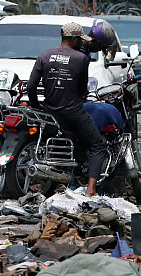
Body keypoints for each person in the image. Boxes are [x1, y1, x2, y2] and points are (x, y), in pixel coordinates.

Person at [26, 22, 106, 198]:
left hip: (50, 112)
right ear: (75, 39)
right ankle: (91, 190)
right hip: (73, 112)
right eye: (80, 40)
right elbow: (82, 91)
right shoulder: (81, 59)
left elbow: (31, 87)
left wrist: (36, 107)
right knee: (97, 146)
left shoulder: (44, 55)